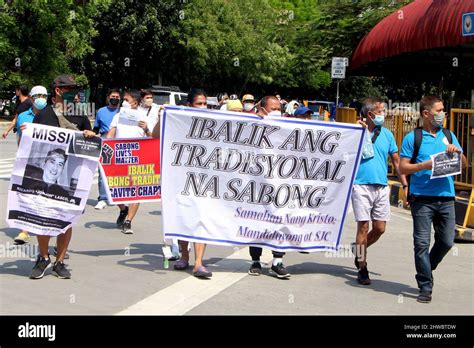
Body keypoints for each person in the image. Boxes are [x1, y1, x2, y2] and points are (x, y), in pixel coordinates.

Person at [28, 74, 96, 280]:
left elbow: (90, 145)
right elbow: (33, 145)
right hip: (46, 178)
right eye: (71, 89)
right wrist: (27, 131)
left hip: (70, 177)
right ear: (58, 91)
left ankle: (60, 261)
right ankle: (43, 257)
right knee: (43, 217)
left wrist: (90, 136)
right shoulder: (44, 114)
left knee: (66, 220)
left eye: (77, 89)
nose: (76, 94)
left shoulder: (80, 115)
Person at [399, 96, 467, 303]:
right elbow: (402, 167)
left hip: (445, 198)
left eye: (443, 110)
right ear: (426, 114)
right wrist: (424, 166)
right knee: (421, 243)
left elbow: (464, 164)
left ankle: (427, 266)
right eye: (439, 110)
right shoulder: (414, 137)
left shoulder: (448, 135)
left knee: (446, 241)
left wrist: (456, 153)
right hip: (422, 199)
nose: (443, 114)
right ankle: (425, 286)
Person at [351, 97, 408, 285]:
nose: (384, 114)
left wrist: (405, 185)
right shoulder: (356, 132)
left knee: (380, 228)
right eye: (381, 111)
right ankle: (362, 266)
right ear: (370, 114)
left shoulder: (387, 135)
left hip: (381, 187)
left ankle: (358, 249)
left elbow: (397, 162)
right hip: (360, 186)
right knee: (363, 226)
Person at [168, 89, 213, 278]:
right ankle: (184, 255)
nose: (203, 107)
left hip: (205, 180)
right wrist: (163, 117)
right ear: (189, 105)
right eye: (198, 104)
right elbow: (156, 135)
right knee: (184, 218)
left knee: (201, 219)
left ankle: (199, 263)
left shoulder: (213, 123)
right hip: (181, 179)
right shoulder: (178, 123)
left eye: (205, 104)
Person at [247, 96, 291, 279]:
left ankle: (277, 261)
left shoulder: (287, 126)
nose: (276, 111)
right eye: (273, 108)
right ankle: (256, 261)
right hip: (256, 183)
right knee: (256, 221)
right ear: (262, 109)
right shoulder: (251, 125)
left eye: (279, 108)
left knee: (279, 220)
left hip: (279, 182)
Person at [107, 90, 155, 235]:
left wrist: (146, 129)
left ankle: (128, 221)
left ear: (135, 102)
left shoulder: (144, 118)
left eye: (126, 100)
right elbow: (111, 135)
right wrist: (106, 148)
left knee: (136, 192)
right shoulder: (118, 116)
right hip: (119, 157)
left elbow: (152, 138)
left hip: (137, 159)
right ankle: (123, 209)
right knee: (113, 189)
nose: (123, 102)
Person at [12, 85, 49, 245]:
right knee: (26, 194)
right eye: (38, 95)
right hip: (29, 160)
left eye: (44, 96)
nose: (41, 98)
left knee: (47, 197)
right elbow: (20, 140)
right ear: (32, 98)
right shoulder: (22, 116)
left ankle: (48, 229)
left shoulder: (53, 114)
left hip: (48, 162)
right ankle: (25, 230)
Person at [93, 89, 121, 210]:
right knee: (102, 171)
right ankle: (103, 198)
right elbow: (96, 129)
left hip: (120, 141)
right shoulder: (101, 111)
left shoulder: (123, 112)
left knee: (118, 172)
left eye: (117, 96)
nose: (115, 98)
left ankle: (115, 195)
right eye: (113, 96)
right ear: (108, 97)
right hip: (105, 141)